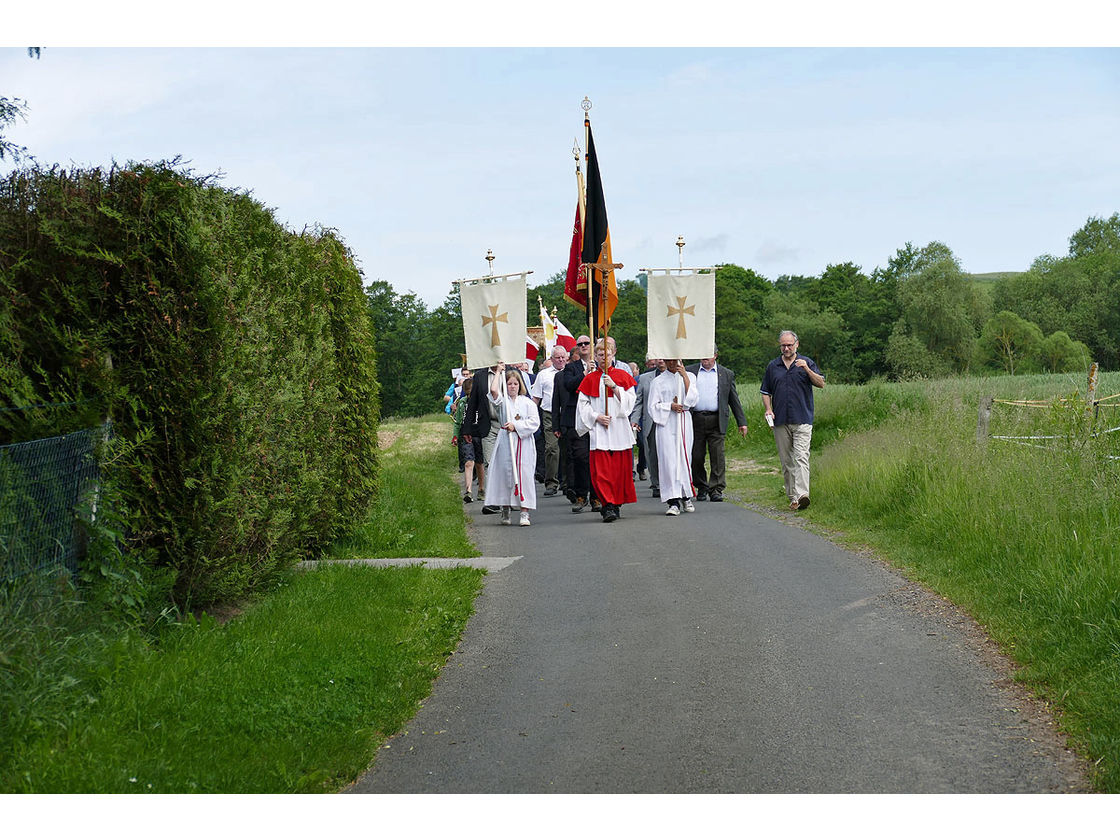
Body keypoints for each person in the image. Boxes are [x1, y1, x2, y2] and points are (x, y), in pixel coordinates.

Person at [760, 330, 826, 511]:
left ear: (797, 344)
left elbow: (821, 383)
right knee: (787, 461)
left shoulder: (807, 363)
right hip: (780, 420)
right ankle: (793, 497)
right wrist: (768, 409)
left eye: (790, 345)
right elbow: (766, 391)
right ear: (780, 346)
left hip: (802, 419)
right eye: (783, 345)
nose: (786, 348)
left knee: (801, 457)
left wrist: (806, 368)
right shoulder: (773, 366)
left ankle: (803, 495)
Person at [576, 338, 637, 523]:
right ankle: (607, 504)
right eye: (600, 355)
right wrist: (596, 417)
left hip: (618, 428)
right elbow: (583, 406)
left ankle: (616, 503)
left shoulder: (621, 376)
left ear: (613, 354)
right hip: (600, 429)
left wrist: (615, 387)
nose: (604, 358)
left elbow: (630, 402)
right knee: (601, 472)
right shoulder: (590, 379)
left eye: (607, 354)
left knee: (618, 471)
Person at [687, 346, 748, 503]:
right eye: (702, 355)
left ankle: (716, 489)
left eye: (708, 355)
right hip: (696, 419)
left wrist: (742, 422)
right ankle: (701, 486)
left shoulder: (726, 374)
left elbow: (733, 399)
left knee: (717, 456)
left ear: (715, 355)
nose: (704, 359)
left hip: (717, 419)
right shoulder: (690, 371)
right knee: (696, 455)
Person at [483, 364, 541, 526]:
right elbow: (494, 391)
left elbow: (534, 422)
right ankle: (505, 508)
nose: (512, 386)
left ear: (520, 385)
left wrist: (517, 426)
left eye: (515, 383)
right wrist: (499, 371)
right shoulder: (503, 402)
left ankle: (524, 512)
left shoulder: (527, 402)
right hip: (506, 441)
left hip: (523, 442)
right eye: (509, 384)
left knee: (524, 474)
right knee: (505, 474)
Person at [650, 359, 699, 516]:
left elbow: (693, 399)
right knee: (669, 461)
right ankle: (673, 501)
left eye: (674, 361)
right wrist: (668, 406)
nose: (672, 364)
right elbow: (652, 407)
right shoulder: (658, 381)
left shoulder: (690, 376)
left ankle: (686, 496)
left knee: (684, 459)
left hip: (683, 420)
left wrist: (684, 376)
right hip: (666, 423)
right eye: (669, 361)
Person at [556, 334, 595, 512]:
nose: (584, 346)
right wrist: (585, 374)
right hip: (576, 419)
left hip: (597, 418)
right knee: (580, 458)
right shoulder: (571, 368)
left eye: (587, 343)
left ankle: (597, 496)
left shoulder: (601, 366)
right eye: (580, 344)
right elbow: (570, 385)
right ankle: (581, 495)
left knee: (596, 458)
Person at [461, 365, 500, 514]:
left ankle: (510, 499)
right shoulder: (480, 376)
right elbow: (473, 403)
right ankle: (492, 501)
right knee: (489, 462)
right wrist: (467, 428)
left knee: (507, 462)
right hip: (488, 424)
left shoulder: (510, 372)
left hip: (508, 425)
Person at [531, 345, 568, 496]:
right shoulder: (543, 375)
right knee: (552, 448)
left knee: (568, 449)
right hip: (549, 415)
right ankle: (551, 482)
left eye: (562, 357)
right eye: (557, 358)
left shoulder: (572, 373)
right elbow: (536, 398)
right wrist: (531, 417)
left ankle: (567, 482)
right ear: (551, 359)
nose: (560, 360)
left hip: (567, 414)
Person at [630, 356, 663, 491]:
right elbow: (638, 402)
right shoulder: (644, 378)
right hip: (650, 421)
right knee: (651, 453)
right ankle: (656, 483)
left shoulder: (676, 377)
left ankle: (669, 483)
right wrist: (634, 420)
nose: (660, 361)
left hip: (668, 421)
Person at [451, 378, 484, 503]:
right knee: (468, 462)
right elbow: (458, 421)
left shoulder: (480, 402)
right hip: (466, 435)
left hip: (479, 434)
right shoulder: (463, 403)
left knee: (479, 463)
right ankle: (468, 490)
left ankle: (481, 489)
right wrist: (455, 436)